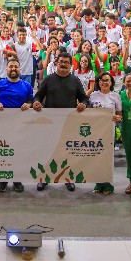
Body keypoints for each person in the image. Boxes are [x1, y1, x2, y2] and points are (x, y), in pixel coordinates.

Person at [33, 52, 89, 192]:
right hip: (49, 123)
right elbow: (38, 96)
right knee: (47, 151)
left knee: (67, 152)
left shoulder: (75, 81)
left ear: (71, 65)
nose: (63, 64)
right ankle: (43, 178)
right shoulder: (48, 79)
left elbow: (84, 98)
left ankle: (68, 178)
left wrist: (83, 104)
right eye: (61, 62)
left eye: (66, 62)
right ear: (56, 63)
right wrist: (36, 102)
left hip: (69, 123)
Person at [0, 57, 33, 193]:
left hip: (21, 125)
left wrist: (28, 105)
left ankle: (17, 179)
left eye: (16, 67)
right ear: (6, 69)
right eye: (11, 67)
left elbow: (31, 101)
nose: (13, 69)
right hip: (3, 125)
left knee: (18, 152)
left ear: (20, 69)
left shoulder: (26, 85)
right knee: (4, 153)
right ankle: (3, 180)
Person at [89, 72, 122, 195]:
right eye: (102, 80)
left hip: (109, 131)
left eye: (107, 80)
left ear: (111, 82)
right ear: (98, 82)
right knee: (96, 157)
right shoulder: (93, 95)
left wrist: (118, 118)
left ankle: (107, 184)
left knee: (107, 158)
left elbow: (120, 115)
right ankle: (98, 182)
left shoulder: (115, 96)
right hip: (95, 131)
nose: (104, 82)